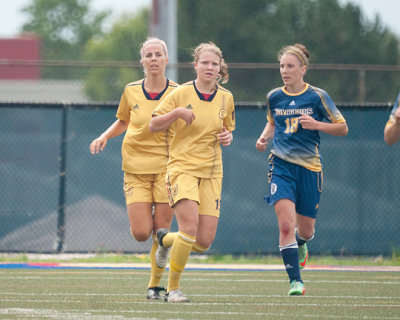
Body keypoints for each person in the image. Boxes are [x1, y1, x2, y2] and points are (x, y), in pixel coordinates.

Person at [256, 44, 348, 295]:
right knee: (285, 224)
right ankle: (296, 281)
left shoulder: (317, 96)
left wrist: (317, 124)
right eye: (282, 66)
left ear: (303, 69)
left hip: (309, 169)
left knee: (305, 229)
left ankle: (302, 242)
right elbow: (272, 122)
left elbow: (342, 127)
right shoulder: (274, 96)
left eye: (290, 66)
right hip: (281, 166)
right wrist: (264, 138)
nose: (284, 71)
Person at [89, 37, 178, 300]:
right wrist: (104, 136)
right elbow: (123, 120)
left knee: (160, 233)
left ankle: (155, 286)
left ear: (166, 59)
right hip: (135, 167)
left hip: (167, 169)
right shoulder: (131, 91)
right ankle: (168, 249)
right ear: (142, 61)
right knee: (142, 233)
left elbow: (190, 124)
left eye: (158, 54)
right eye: (148, 55)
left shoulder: (179, 92)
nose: (153, 59)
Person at [149, 42, 235, 303]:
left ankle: (164, 241)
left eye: (214, 63)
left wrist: (227, 136)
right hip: (182, 168)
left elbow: (227, 129)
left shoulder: (226, 97)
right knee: (189, 228)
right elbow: (153, 124)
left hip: (211, 171)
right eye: (205, 62)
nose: (210, 67)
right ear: (195, 65)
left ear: (220, 68)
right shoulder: (181, 93)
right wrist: (176, 112)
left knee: (204, 241)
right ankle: (172, 289)